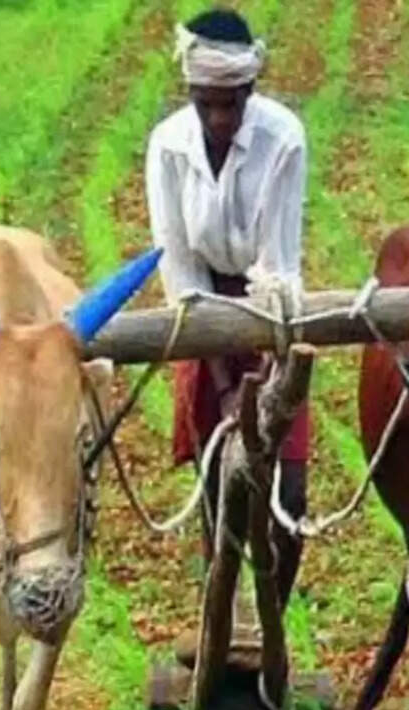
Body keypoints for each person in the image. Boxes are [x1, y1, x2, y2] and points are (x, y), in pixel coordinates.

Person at [145, 7, 310, 613]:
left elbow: (277, 264)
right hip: (203, 315)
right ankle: (220, 618)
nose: (218, 118)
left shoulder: (283, 137)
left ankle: (270, 625)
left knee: (288, 497)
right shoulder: (169, 145)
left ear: (250, 90)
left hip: (272, 316)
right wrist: (220, 384)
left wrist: (265, 386)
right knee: (219, 487)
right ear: (190, 94)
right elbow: (180, 267)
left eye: (231, 104)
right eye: (206, 104)